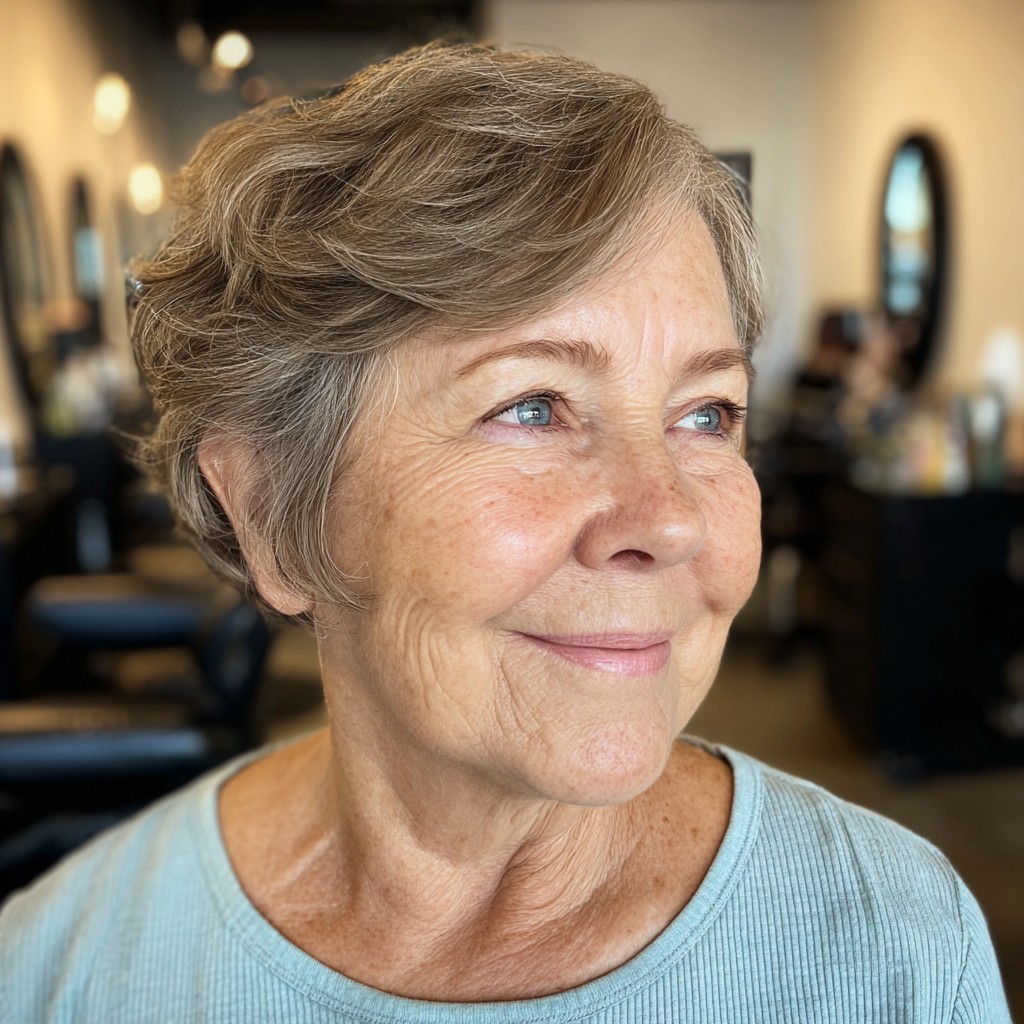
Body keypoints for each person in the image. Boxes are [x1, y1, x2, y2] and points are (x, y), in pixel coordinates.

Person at [0, 42, 1010, 1022]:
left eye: (706, 413)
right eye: (533, 406)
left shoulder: (896, 949)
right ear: (269, 510)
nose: (666, 517)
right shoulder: (62, 971)